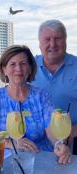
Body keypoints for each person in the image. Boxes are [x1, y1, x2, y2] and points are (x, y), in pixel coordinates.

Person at [0, 45, 71, 164]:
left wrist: (58, 145)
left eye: (23, 63)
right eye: (12, 64)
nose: (18, 68)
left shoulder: (42, 97)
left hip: (41, 160)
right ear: (4, 69)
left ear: (30, 68)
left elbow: (51, 131)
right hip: (6, 163)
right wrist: (10, 143)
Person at [32, 19, 77, 154]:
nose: (52, 44)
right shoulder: (28, 66)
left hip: (71, 139)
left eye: (57, 38)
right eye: (47, 39)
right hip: (35, 141)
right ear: (40, 44)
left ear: (65, 42)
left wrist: (75, 130)